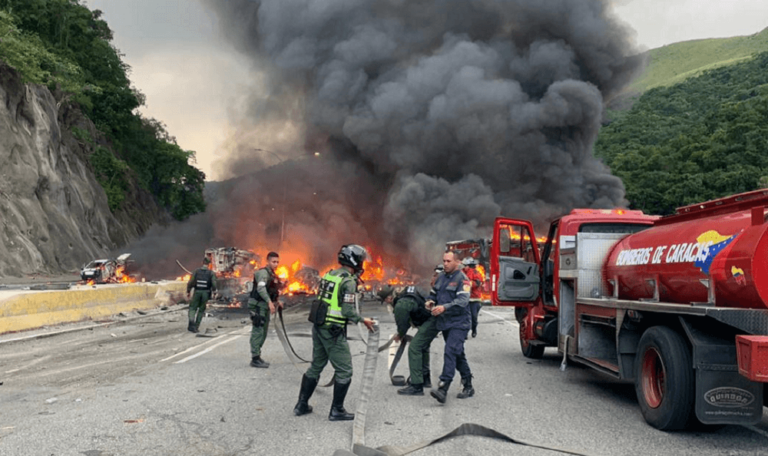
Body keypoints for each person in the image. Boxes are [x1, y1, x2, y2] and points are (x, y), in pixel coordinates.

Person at [293, 244, 376, 421]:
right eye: (360, 260)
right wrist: (363, 320)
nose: (362, 263)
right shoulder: (348, 281)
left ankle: (301, 405)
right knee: (345, 370)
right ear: (353, 260)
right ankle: (337, 410)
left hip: (319, 327)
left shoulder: (330, 274)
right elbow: (347, 311)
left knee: (316, 366)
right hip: (333, 331)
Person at [429, 251, 475, 403]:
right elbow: (433, 293)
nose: (445, 264)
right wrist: (429, 301)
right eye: (444, 261)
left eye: (448, 261)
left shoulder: (463, 279)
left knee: (450, 351)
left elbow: (463, 300)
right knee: (457, 353)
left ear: (457, 262)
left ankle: (443, 387)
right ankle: (468, 384)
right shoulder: (441, 277)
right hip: (446, 323)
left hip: (459, 323)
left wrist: (444, 307)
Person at [377, 284, 437, 395]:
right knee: (422, 346)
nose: (386, 302)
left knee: (414, 348)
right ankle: (425, 379)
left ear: (389, 298)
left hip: (432, 322)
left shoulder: (400, 304)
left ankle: (417, 386)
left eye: (385, 300)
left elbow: (402, 322)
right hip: (432, 319)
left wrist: (400, 334)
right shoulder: (405, 294)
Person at [248, 251, 283, 368]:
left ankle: (258, 356)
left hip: (264, 306)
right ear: (268, 261)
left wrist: (277, 301)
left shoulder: (272, 275)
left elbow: (272, 290)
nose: (276, 264)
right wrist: (269, 302)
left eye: (277, 262)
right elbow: (261, 289)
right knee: (258, 331)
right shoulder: (263, 273)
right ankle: (255, 358)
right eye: (274, 262)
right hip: (258, 306)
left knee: (263, 331)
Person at [186, 257, 217, 333]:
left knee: (193, 308)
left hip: (197, 292)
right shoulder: (211, 273)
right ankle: (196, 327)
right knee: (201, 310)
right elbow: (214, 284)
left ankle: (191, 322)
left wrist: (188, 291)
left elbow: (191, 282)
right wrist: (215, 291)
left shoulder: (196, 271)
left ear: (202, 262)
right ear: (209, 264)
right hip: (205, 293)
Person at [462, 257, 484, 338]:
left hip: (475, 299)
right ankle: (465, 333)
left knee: (473, 317)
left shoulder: (476, 273)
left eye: (465, 265)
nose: (464, 267)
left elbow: (479, 283)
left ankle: (474, 329)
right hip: (465, 299)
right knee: (466, 317)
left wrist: (471, 284)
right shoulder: (462, 273)